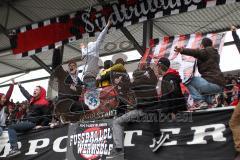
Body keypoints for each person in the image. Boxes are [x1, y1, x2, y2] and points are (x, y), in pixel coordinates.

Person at [174, 38, 225, 108]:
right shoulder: (214, 54)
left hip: (212, 83)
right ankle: (213, 99)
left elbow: (196, 52)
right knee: (200, 93)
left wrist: (182, 50)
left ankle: (200, 102)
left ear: (202, 45)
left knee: (187, 80)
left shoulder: (207, 51)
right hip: (219, 85)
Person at [6, 84, 50, 157]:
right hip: (27, 122)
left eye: (37, 90)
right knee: (14, 132)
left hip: (32, 123)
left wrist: (41, 125)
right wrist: (20, 86)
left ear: (41, 92)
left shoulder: (44, 102)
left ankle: (14, 149)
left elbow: (48, 117)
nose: (34, 90)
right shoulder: (32, 99)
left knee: (11, 127)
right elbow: (25, 93)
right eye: (34, 89)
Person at [80, 19, 112, 89]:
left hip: (85, 77)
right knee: (93, 95)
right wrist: (107, 26)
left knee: (88, 95)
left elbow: (83, 51)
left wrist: (82, 47)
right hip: (91, 77)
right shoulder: (94, 48)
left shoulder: (85, 53)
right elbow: (101, 37)